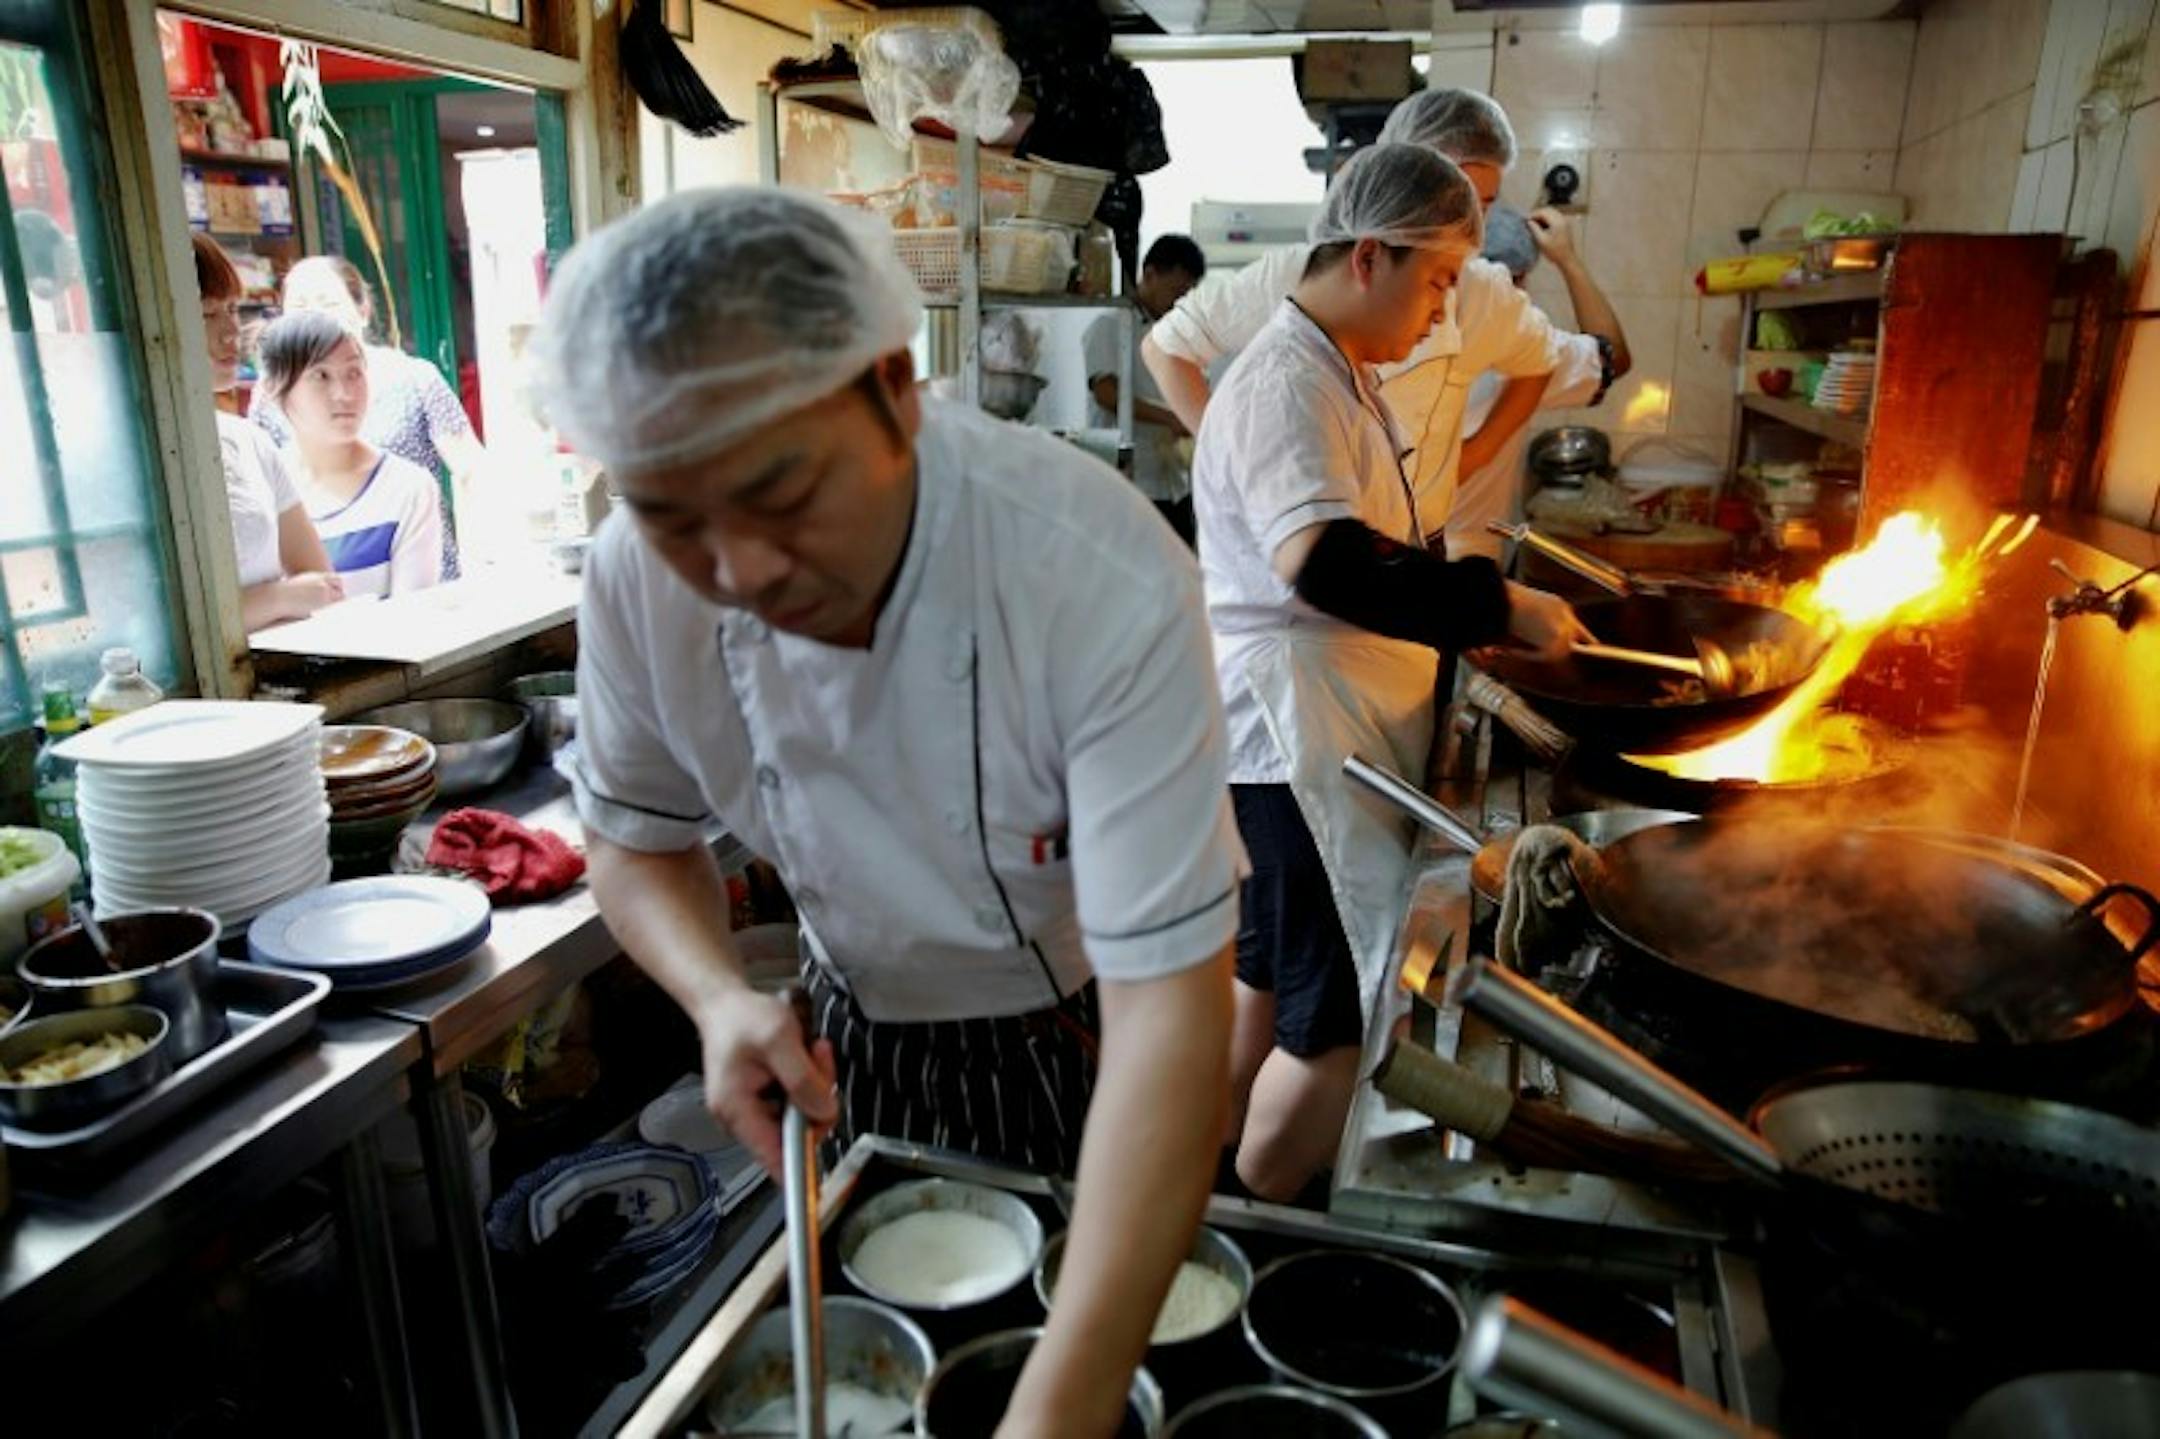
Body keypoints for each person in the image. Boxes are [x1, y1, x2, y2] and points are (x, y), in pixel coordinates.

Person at [530, 187, 1242, 1437]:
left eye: (783, 490)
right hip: (845, 1039)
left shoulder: (1094, 574)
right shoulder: (634, 576)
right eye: (672, 513)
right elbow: (635, 841)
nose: (737, 568)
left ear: (896, 386)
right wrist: (717, 997)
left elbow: (1172, 1021)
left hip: (1084, 1051)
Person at [1193, 144, 1589, 1203]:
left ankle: (1203, 1183)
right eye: (1441, 280)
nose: (1446, 313)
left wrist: (1463, 608)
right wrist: (1492, 602)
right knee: (1328, 1026)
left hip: (1310, 721)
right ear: (1371, 255)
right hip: (1298, 732)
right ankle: (1263, 1225)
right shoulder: (1285, 380)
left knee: (1269, 977)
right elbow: (1322, 559)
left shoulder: (1339, 370)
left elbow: (1373, 544)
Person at [1144, 89, 1631, 540]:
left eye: (1481, 205)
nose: (1469, 227)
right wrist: (1235, 465)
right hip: (1313, 552)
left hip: (1409, 547)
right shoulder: (1302, 277)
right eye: (1453, 196)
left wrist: (1476, 454)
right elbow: (1167, 347)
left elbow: (1544, 359)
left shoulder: (1482, 291)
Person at [251, 255, 488, 576]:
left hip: (421, 567)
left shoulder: (415, 378)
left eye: (327, 302)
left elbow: (472, 469)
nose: (315, 315)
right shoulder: (270, 395)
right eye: (301, 305)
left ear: (363, 310)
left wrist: (482, 556)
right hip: (326, 573)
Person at [1446, 205, 1627, 561]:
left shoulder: (1397, 329)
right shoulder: (1526, 347)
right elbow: (1614, 356)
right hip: (1467, 565)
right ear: (1519, 281)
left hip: (1378, 562)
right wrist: (1567, 260)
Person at [189, 236, 344, 629]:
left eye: (231, 309)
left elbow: (325, 586)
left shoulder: (248, 440)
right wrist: (281, 596)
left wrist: (277, 600)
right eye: (207, 315)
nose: (230, 331)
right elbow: (175, 631)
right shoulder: (133, 461)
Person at [256, 311, 445, 598]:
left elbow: (413, 621)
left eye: (354, 373)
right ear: (273, 389)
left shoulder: (408, 488)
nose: (344, 393)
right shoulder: (259, 490)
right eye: (321, 375)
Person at [1083, 234, 1207, 545]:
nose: (1180, 303)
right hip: (1130, 481)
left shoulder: (1176, 333)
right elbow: (1107, 394)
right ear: (1149, 275)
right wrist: (1171, 418)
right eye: (1175, 292)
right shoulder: (1109, 326)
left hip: (1174, 483)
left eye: (1187, 295)